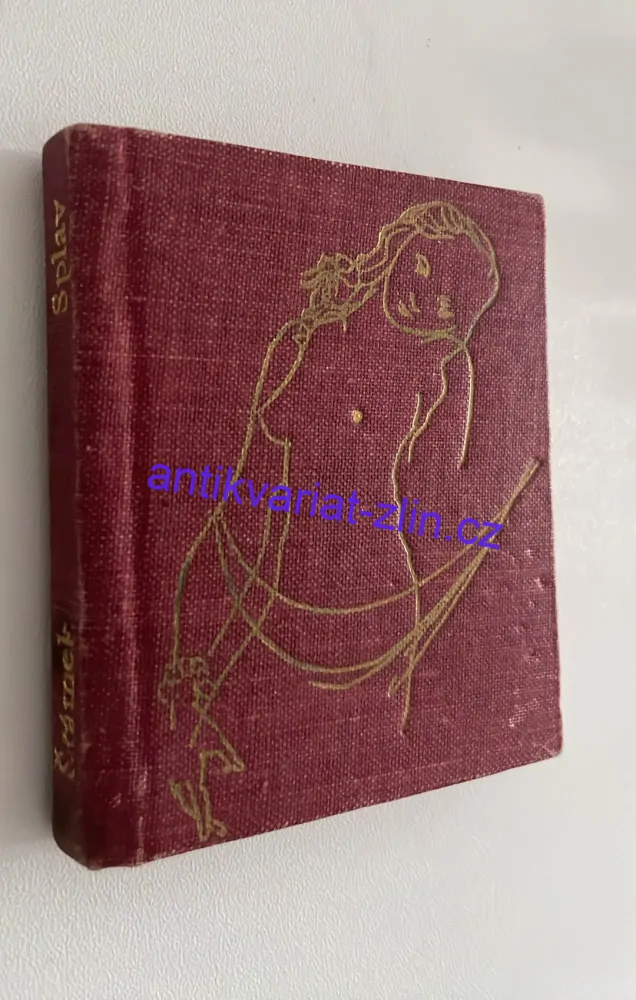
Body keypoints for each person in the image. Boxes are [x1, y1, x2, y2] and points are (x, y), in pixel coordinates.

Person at [158, 202, 539, 841]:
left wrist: (489, 525)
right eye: (422, 265)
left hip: (380, 608)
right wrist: (195, 644)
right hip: (278, 597)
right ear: (395, 251)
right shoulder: (301, 343)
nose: (425, 296)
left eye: (449, 302)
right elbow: (243, 503)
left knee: (365, 782)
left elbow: (441, 499)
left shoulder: (440, 376)